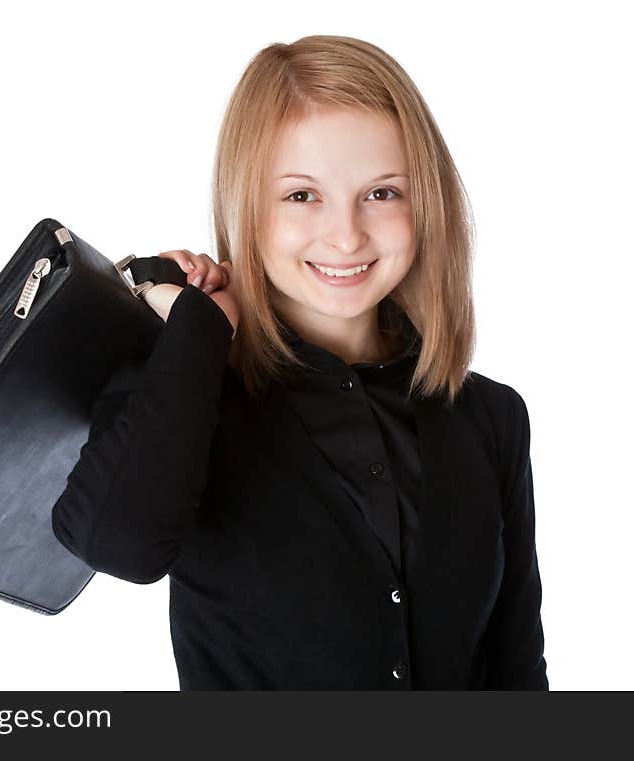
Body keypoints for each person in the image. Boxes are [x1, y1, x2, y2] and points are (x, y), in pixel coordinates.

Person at [51, 34, 549, 690]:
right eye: (301, 195)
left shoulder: (490, 416)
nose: (346, 235)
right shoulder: (188, 388)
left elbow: (517, 671)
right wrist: (200, 330)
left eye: (381, 193)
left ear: (426, 202)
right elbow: (117, 545)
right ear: (248, 206)